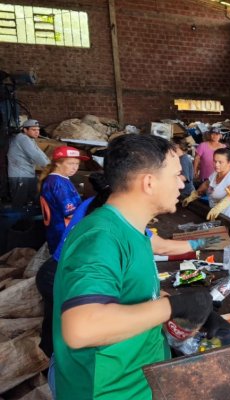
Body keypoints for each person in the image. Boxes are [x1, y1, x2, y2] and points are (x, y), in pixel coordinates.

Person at [52, 134, 213, 399]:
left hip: (139, 381)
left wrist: (188, 309)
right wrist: (171, 307)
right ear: (148, 183)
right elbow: (81, 328)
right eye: (176, 175)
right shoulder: (101, 237)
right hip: (108, 392)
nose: (183, 182)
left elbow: (132, 294)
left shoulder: (132, 230)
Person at [38, 146, 88, 255]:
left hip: (56, 233)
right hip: (63, 233)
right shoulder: (59, 183)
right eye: (70, 163)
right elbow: (71, 214)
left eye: (77, 164)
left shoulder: (56, 179)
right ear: (57, 163)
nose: (75, 168)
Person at [182, 148, 230, 225]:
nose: (216, 165)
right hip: (221, 218)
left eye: (220, 162)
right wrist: (195, 195)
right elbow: (207, 184)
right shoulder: (216, 173)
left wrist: (218, 208)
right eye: (215, 161)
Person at [7, 119, 50, 207]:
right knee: (19, 203)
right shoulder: (22, 138)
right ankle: (18, 215)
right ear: (25, 130)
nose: (37, 132)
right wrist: (50, 168)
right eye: (33, 130)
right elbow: (36, 155)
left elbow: (40, 153)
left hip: (28, 174)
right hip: (20, 175)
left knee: (32, 200)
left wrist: (51, 165)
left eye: (38, 130)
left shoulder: (30, 139)